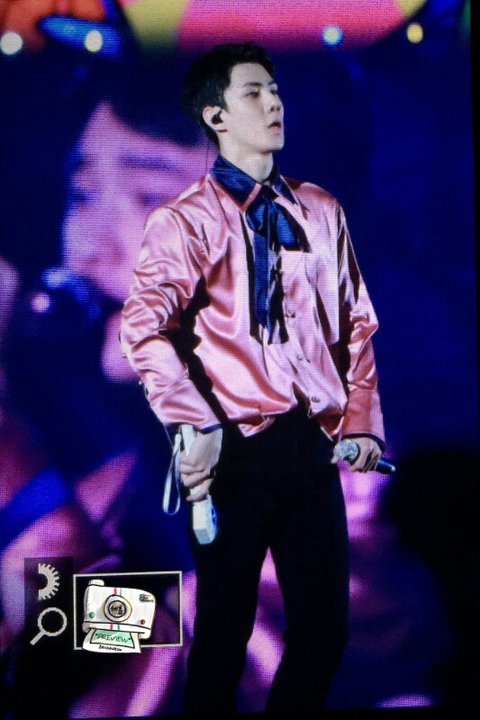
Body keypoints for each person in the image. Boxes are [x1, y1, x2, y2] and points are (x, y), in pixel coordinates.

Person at [120, 42, 385, 717]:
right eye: (253, 92)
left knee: (324, 631)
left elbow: (355, 324)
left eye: (274, 90)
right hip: (233, 451)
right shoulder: (184, 221)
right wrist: (194, 419)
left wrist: (359, 423)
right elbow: (143, 328)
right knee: (222, 636)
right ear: (215, 116)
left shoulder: (320, 210)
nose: (272, 103)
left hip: (311, 447)